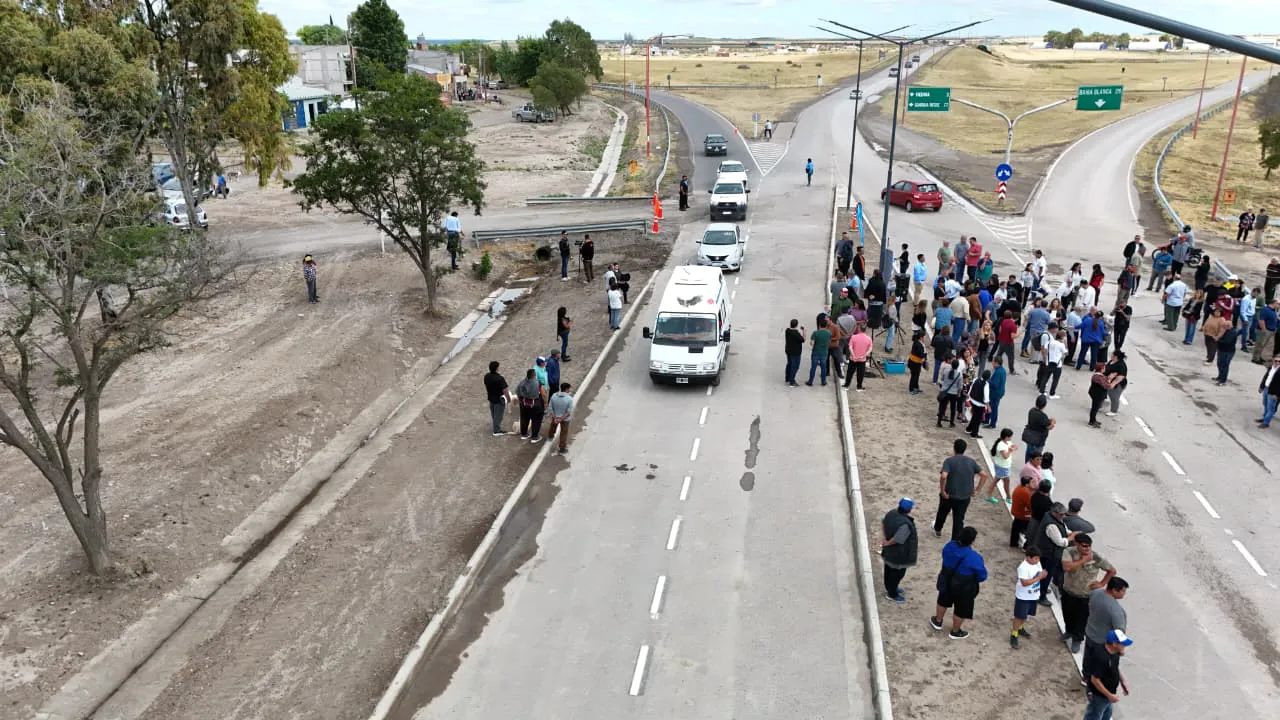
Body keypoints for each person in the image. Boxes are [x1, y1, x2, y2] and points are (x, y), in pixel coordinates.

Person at [1060, 532, 1116, 654]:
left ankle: (1077, 639)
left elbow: (1112, 570)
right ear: (1077, 545)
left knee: (1082, 619)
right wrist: (1083, 560)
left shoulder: (1095, 557)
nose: (1088, 549)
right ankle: (1069, 631)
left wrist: (1102, 583)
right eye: (1084, 546)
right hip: (1069, 590)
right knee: (1067, 614)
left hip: (1086, 595)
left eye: (1089, 546)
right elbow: (1067, 568)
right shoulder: (1069, 552)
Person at [929, 526, 988, 640]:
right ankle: (955, 631)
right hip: (964, 586)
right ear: (972, 540)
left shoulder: (949, 546)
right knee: (961, 608)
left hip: (947, 578)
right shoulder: (974, 557)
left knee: (943, 600)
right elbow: (982, 576)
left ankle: (938, 620)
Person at [934, 438, 988, 541]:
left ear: (954, 448)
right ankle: (955, 539)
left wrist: (942, 490)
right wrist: (977, 490)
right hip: (964, 496)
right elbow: (984, 475)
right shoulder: (971, 462)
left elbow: (944, 476)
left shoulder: (949, 461)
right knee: (959, 519)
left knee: (942, 512)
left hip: (949, 494)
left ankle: (938, 529)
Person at [1033, 501, 1078, 607]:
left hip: (1046, 552)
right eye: (1061, 514)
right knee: (1047, 574)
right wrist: (1071, 538)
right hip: (1049, 554)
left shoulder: (1051, 517)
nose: (1063, 516)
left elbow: (1063, 530)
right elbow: (1060, 542)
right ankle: (1041, 596)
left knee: (1044, 573)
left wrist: (1069, 533)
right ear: (1054, 513)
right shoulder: (1051, 525)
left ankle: (1041, 589)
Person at [1083, 629, 1133, 720]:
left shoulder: (1115, 652)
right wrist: (1110, 695)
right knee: (1094, 716)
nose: (1125, 645)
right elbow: (1095, 680)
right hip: (1099, 696)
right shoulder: (1101, 657)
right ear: (1114, 644)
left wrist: (1122, 681)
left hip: (1108, 695)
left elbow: (1115, 667)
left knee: (1106, 715)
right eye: (1123, 643)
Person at [881, 498, 919, 603]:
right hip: (899, 555)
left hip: (889, 552)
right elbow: (898, 539)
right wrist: (888, 543)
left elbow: (883, 523)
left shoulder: (891, 513)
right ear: (909, 510)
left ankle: (890, 588)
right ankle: (892, 593)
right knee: (897, 574)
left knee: (888, 571)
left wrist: (884, 539)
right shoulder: (905, 524)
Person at [1010, 546, 1048, 649]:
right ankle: (1014, 634)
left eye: (1038, 558)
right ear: (1028, 557)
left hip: (1033, 595)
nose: (1037, 561)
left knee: (1025, 614)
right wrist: (1039, 577)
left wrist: (1042, 575)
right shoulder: (1023, 567)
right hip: (1023, 597)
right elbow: (1024, 583)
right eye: (1035, 558)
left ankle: (1020, 628)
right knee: (1019, 616)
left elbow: (1039, 573)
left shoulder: (1037, 563)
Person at [1085, 576, 1129, 659]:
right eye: (1123, 591)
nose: (1124, 593)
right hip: (1104, 644)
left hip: (1090, 634)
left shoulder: (1096, 593)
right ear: (1114, 590)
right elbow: (1119, 632)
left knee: (1088, 661)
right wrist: (1120, 650)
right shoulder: (1116, 611)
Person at [983, 428, 1016, 504]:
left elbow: (1012, 446)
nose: (1011, 438)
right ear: (1006, 437)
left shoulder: (1007, 443)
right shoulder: (1001, 445)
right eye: (1010, 436)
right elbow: (1005, 456)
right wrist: (1010, 450)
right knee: (1004, 481)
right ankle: (1008, 497)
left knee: (999, 480)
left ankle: (991, 495)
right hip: (1002, 467)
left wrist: (1013, 448)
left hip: (1004, 466)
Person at [515, 369, 546, 442]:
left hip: (524, 404)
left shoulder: (521, 383)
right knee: (536, 420)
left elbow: (517, 392)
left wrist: (521, 401)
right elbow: (543, 394)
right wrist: (545, 403)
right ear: (534, 375)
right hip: (535, 404)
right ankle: (534, 437)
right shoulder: (537, 383)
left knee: (524, 418)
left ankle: (524, 434)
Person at [1021, 394, 1054, 461]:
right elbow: (1050, 426)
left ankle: (1027, 465)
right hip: (1038, 439)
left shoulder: (1032, 411)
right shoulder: (1042, 416)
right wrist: (1053, 421)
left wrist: (1048, 420)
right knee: (1036, 455)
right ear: (1044, 405)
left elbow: (1043, 421)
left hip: (1030, 436)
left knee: (1028, 452)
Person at [482, 361, 511, 436]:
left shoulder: (486, 376)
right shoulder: (500, 378)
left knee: (494, 413)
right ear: (497, 368)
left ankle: (495, 426)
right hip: (499, 399)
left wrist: (489, 393)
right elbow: (505, 390)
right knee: (498, 415)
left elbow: (486, 386)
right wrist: (508, 399)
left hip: (491, 397)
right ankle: (496, 431)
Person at [546, 382, 574, 455]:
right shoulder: (569, 399)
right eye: (569, 388)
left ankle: (550, 436)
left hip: (555, 417)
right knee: (563, 433)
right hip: (565, 419)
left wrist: (555, 417)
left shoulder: (554, 396)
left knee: (553, 426)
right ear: (567, 389)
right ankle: (562, 448)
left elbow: (550, 408)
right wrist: (561, 419)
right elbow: (568, 412)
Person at [845, 323, 873, 391]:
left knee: (850, 372)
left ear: (859, 329)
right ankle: (859, 386)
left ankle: (846, 385)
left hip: (853, 359)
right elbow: (870, 348)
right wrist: (865, 355)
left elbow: (850, 347)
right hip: (862, 359)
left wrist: (853, 355)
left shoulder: (853, 337)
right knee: (860, 373)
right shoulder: (868, 338)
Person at [936, 359, 963, 427]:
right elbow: (960, 386)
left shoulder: (946, 371)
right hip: (953, 393)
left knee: (942, 407)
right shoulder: (959, 374)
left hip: (944, 391)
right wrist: (959, 393)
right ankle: (951, 422)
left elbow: (942, 379)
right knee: (953, 408)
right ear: (957, 366)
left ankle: (939, 422)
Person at [806, 317, 833, 386]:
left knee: (813, 367)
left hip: (816, 352)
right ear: (826, 325)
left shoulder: (815, 333)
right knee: (823, 368)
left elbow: (812, 343)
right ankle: (823, 381)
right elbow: (829, 342)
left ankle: (810, 381)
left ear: (819, 325)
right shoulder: (829, 333)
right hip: (824, 353)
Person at [1009, 474, 1034, 548]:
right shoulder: (1026, 493)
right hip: (1023, 515)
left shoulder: (1018, 487)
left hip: (1016, 511)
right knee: (1029, 530)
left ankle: (1013, 543)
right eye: (1031, 482)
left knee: (1015, 528)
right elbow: (1030, 506)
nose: (1032, 484)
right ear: (1027, 484)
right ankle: (1025, 545)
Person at [965, 370, 990, 438]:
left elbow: (971, 387)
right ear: (988, 378)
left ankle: (969, 428)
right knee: (977, 419)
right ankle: (974, 433)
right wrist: (988, 407)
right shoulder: (986, 384)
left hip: (973, 400)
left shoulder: (976, 379)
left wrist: (969, 396)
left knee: (974, 416)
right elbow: (986, 397)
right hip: (980, 404)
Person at [1215, 320, 1241, 386]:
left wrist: (1217, 340)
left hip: (1228, 351)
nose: (1222, 327)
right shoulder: (1226, 331)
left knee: (1224, 365)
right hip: (1222, 350)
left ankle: (1223, 380)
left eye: (1224, 326)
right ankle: (1220, 376)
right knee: (1219, 364)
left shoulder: (1232, 332)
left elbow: (1227, 342)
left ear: (1228, 326)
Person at [1103, 350, 1128, 416]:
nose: (1110, 355)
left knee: (1114, 397)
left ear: (1115, 356)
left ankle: (1113, 411)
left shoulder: (1121, 365)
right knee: (1106, 393)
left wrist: (1113, 384)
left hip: (1118, 384)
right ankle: (1104, 404)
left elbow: (1121, 377)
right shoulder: (1112, 361)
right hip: (1108, 381)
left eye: (1112, 354)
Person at [1258, 356, 1280, 428]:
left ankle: (1266, 422)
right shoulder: (1271, 368)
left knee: (1271, 408)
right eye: (1276, 361)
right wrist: (1261, 386)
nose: (1277, 362)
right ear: (1273, 361)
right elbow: (1265, 377)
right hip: (1266, 388)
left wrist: (1276, 394)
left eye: (1279, 361)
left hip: (1273, 392)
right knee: (1265, 404)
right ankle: (1264, 418)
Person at [985, 356, 1007, 428]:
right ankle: (986, 419)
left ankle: (992, 423)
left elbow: (995, 384)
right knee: (991, 406)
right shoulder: (1002, 370)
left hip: (995, 393)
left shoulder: (998, 372)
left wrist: (988, 380)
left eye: (993, 362)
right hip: (999, 392)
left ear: (997, 363)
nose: (992, 363)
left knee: (993, 408)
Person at [995, 310, 1018, 374]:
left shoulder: (1003, 321)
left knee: (999, 354)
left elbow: (1000, 330)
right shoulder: (1013, 325)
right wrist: (1019, 334)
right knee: (1011, 357)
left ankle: (996, 364)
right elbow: (1012, 336)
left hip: (1001, 341)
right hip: (1008, 343)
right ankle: (1012, 370)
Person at [784, 319, 805, 387]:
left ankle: (787, 378)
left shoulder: (787, 330)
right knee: (795, 366)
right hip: (795, 353)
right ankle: (792, 381)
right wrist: (804, 331)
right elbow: (803, 339)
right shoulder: (796, 333)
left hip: (788, 351)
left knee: (789, 364)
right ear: (796, 325)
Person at [907, 330, 927, 395]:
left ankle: (916, 387)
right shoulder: (918, 344)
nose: (924, 338)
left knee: (917, 375)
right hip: (914, 363)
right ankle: (911, 389)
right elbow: (921, 354)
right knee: (914, 376)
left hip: (916, 362)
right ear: (921, 337)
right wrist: (924, 356)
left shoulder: (918, 342)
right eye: (924, 336)